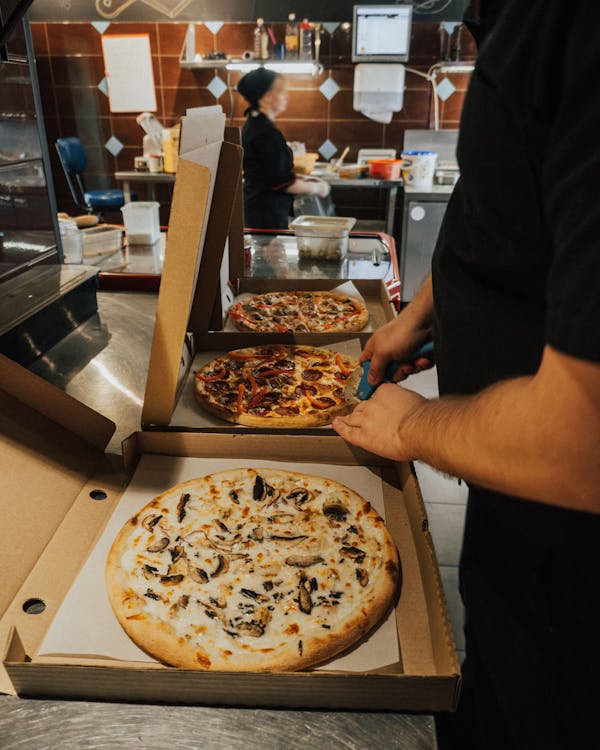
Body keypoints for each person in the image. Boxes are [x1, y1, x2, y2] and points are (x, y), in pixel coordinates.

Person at [333, 1, 600, 748]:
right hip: (517, 518)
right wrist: (431, 307)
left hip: (574, 567)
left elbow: (584, 438)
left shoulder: (578, 26)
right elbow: (507, 201)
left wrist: (411, 424)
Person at [237, 68, 330, 230]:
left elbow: (271, 172)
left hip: (258, 209)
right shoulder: (266, 133)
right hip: (266, 215)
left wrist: (303, 179)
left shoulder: (254, 124)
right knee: (268, 255)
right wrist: (318, 188)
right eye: (282, 92)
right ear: (267, 97)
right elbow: (283, 183)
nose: (286, 97)